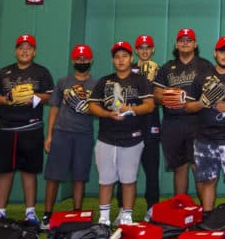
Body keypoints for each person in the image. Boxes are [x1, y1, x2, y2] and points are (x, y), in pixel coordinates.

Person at [0, 34, 54, 225]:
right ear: (16, 51)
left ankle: (30, 212)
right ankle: (0, 212)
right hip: (5, 128)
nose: (25, 50)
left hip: (31, 128)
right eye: (21, 47)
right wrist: (5, 99)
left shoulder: (42, 72)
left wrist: (33, 97)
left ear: (34, 52)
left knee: (28, 171)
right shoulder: (4, 72)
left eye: (29, 47)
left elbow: (51, 96)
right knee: (5, 171)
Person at [87, 41, 155, 226]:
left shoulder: (140, 80)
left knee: (129, 179)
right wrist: (107, 113)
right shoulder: (105, 81)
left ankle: (126, 216)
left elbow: (149, 105)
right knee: (106, 179)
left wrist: (131, 110)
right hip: (107, 138)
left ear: (131, 58)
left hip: (132, 138)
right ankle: (104, 218)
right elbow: (92, 105)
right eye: (117, 57)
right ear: (113, 60)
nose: (121, 60)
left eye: (125, 56)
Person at [183, 36, 225, 214]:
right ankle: (207, 219)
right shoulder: (201, 78)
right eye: (222, 51)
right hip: (206, 138)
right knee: (208, 180)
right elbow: (188, 107)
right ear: (215, 53)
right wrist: (202, 103)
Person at [42, 44, 99, 228]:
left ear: (91, 60)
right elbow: (54, 109)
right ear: (72, 60)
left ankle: (77, 213)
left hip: (84, 134)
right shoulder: (62, 82)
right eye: (78, 59)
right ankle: (47, 214)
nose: (81, 62)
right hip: (62, 132)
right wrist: (49, 135)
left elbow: (101, 109)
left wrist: (88, 107)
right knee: (53, 175)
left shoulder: (96, 84)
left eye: (85, 59)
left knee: (79, 175)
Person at [154, 28, 212, 198]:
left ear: (195, 44)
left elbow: (212, 92)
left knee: (198, 167)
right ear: (176, 44)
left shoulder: (205, 65)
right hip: (173, 123)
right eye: (181, 40)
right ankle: (181, 209)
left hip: (198, 122)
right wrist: (167, 97)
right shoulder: (167, 68)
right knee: (180, 168)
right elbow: (156, 94)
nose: (185, 43)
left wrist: (198, 103)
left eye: (189, 40)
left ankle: (205, 212)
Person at [132, 35, 161, 220]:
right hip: (132, 121)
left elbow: (162, 98)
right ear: (136, 50)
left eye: (147, 47)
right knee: (127, 168)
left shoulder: (160, 70)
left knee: (152, 168)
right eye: (141, 47)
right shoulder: (127, 67)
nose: (144, 50)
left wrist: (151, 83)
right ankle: (124, 208)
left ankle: (152, 207)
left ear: (152, 49)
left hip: (151, 120)